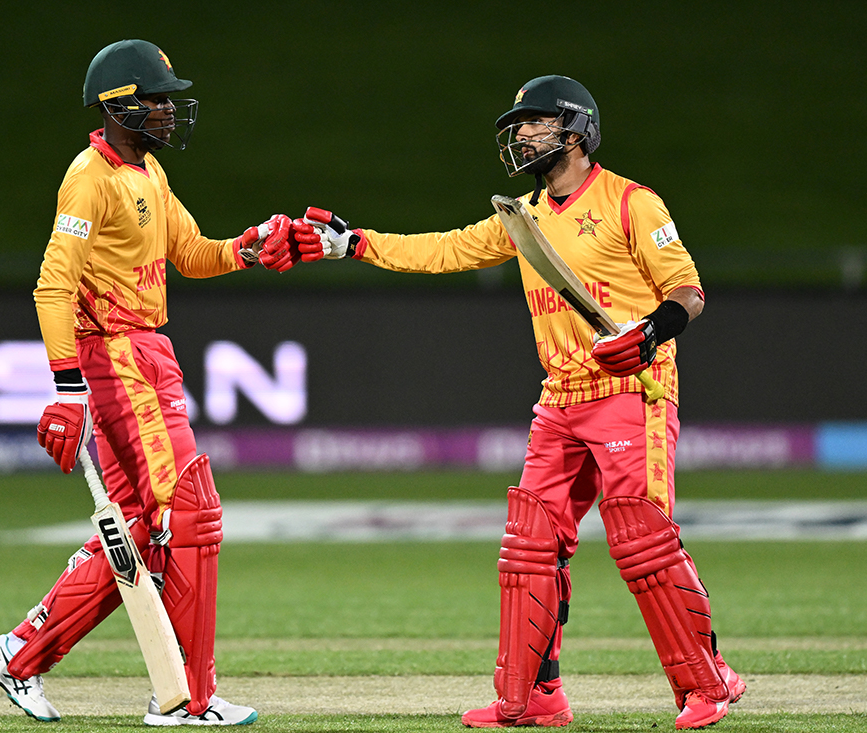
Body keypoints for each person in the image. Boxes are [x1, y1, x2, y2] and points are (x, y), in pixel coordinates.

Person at [268, 75, 746, 730]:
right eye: (518, 125)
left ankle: (708, 683)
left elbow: (687, 291)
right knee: (530, 544)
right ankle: (533, 697)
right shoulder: (523, 218)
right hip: (561, 396)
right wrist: (355, 242)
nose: (522, 133)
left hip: (631, 390)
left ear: (576, 131)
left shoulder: (633, 203)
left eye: (537, 122)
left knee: (641, 539)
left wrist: (649, 333)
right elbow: (444, 249)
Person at [0, 39, 284, 726]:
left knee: (142, 529)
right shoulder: (90, 176)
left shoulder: (147, 174)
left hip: (139, 353)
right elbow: (53, 285)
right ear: (121, 104)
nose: (171, 111)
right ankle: (187, 699)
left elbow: (193, 254)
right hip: (117, 355)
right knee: (190, 514)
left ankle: (16, 654)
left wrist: (251, 246)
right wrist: (66, 387)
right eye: (160, 99)